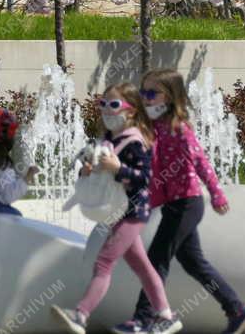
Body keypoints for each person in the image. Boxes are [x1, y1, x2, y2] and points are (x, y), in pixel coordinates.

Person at [126, 69, 245, 334]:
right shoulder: (153, 129)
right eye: (144, 93)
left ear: (170, 97)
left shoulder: (179, 128)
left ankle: (145, 318)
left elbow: (201, 162)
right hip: (174, 204)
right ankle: (235, 308)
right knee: (193, 262)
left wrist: (217, 195)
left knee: (157, 259)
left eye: (152, 93)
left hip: (187, 202)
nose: (146, 98)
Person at [52, 83, 179, 334]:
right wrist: (88, 169)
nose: (107, 111)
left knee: (104, 262)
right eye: (103, 105)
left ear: (131, 111)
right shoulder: (109, 139)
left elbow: (145, 178)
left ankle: (81, 315)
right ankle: (166, 315)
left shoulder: (135, 142)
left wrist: (117, 169)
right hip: (117, 211)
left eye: (114, 105)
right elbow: (100, 173)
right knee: (142, 267)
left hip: (133, 212)